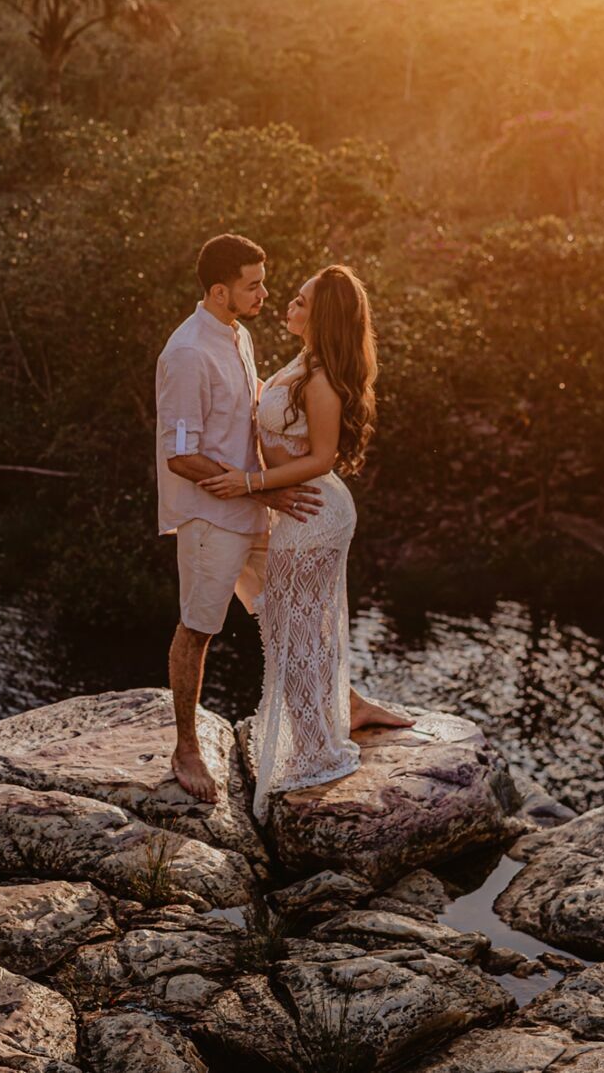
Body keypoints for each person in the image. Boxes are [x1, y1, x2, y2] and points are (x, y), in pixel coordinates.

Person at [198, 265, 414, 823]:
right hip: (295, 507)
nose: (286, 305)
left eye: (299, 300)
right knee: (292, 622)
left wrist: (249, 484)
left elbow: (321, 459)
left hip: (315, 510)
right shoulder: (303, 364)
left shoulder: (319, 379)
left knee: (295, 628)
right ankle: (340, 712)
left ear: (321, 317)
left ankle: (316, 748)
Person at [155, 234, 321, 803]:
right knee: (198, 630)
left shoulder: (239, 333)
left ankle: (330, 716)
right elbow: (181, 454)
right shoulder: (186, 353)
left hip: (253, 508)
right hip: (211, 518)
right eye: (253, 284)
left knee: (291, 608)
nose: (265, 293)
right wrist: (258, 489)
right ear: (220, 290)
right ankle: (186, 749)